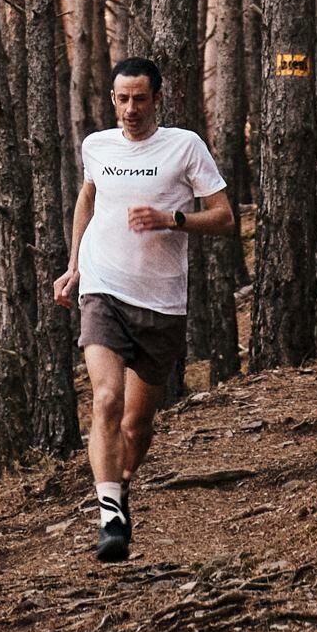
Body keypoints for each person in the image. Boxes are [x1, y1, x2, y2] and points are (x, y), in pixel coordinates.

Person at [52, 53, 232, 562]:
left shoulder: (184, 146)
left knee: (137, 424)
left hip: (161, 302)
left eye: (140, 99)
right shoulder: (97, 146)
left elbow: (224, 218)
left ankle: (122, 485)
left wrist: (172, 218)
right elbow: (88, 198)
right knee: (105, 399)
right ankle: (111, 518)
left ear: (157, 98)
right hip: (103, 288)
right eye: (122, 99)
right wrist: (75, 266)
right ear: (113, 99)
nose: (130, 109)